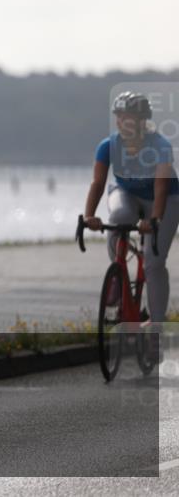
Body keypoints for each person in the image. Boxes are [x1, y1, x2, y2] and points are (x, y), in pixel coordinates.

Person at [82, 91, 179, 330]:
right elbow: (98, 183)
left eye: (130, 117)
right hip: (126, 192)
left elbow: (160, 187)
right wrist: (89, 216)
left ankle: (156, 323)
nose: (124, 122)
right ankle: (117, 273)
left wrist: (154, 219)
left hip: (165, 198)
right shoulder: (108, 146)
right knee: (119, 217)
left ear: (142, 120)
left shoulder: (160, 146)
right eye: (120, 117)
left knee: (154, 264)